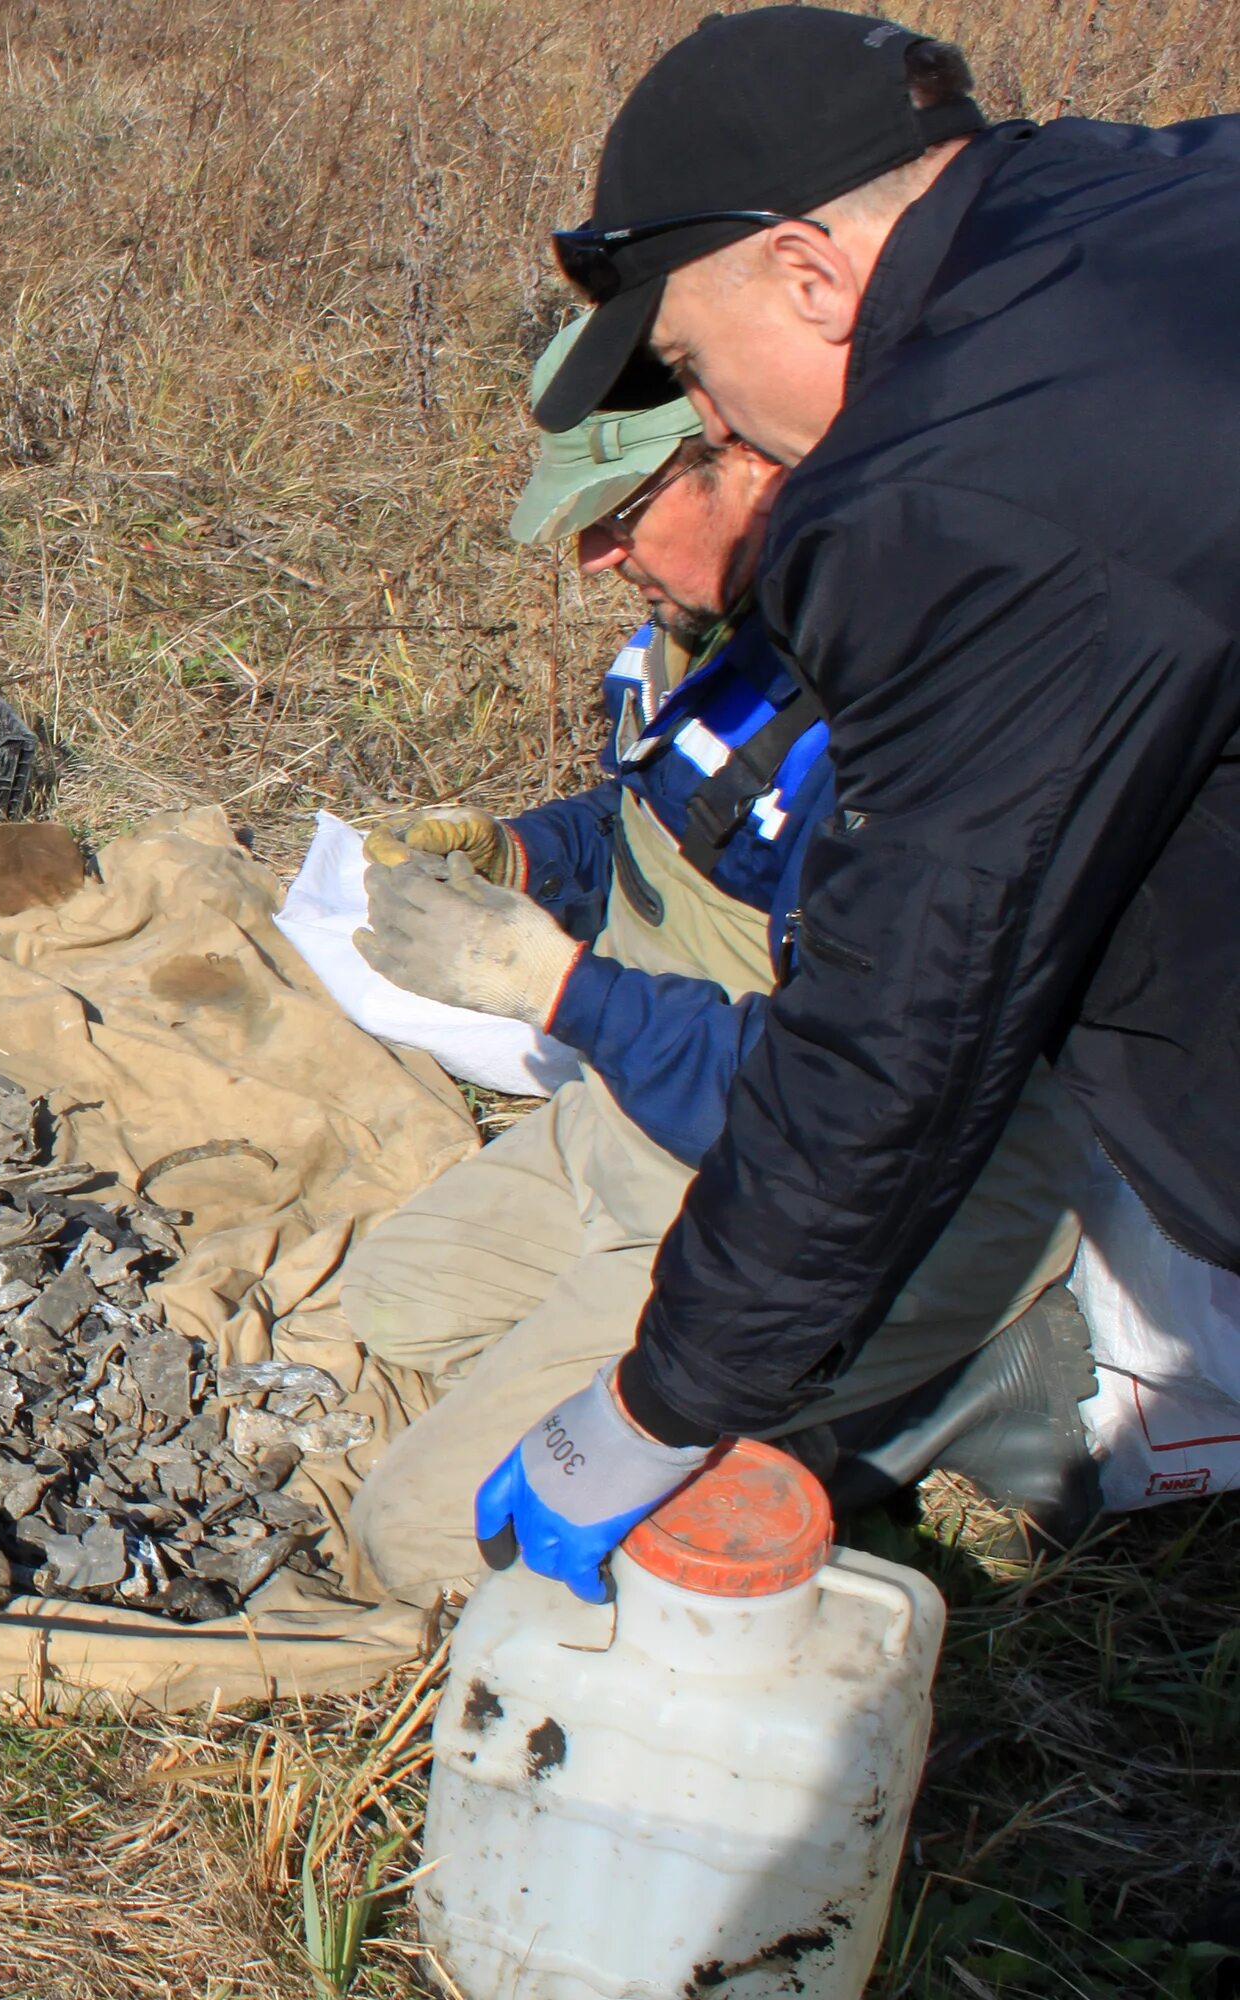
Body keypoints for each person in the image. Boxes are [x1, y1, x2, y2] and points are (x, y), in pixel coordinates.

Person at [486, 4, 1240, 1599]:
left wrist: (657, 1409)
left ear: (812, 274)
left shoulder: (952, 493)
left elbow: (906, 1022)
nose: (709, 418)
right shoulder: (1149, 200)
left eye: (691, 364)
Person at [341, 319, 1090, 1600]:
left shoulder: (917, 731)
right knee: (385, 1309)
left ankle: (942, 1380)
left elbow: (843, 1102)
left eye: (619, 512)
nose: (592, 553)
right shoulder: (728, 614)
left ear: (742, 457)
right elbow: (661, 813)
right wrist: (518, 857)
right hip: (637, 1122)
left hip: (799, 1202)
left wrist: (553, 987)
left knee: (421, 1540)